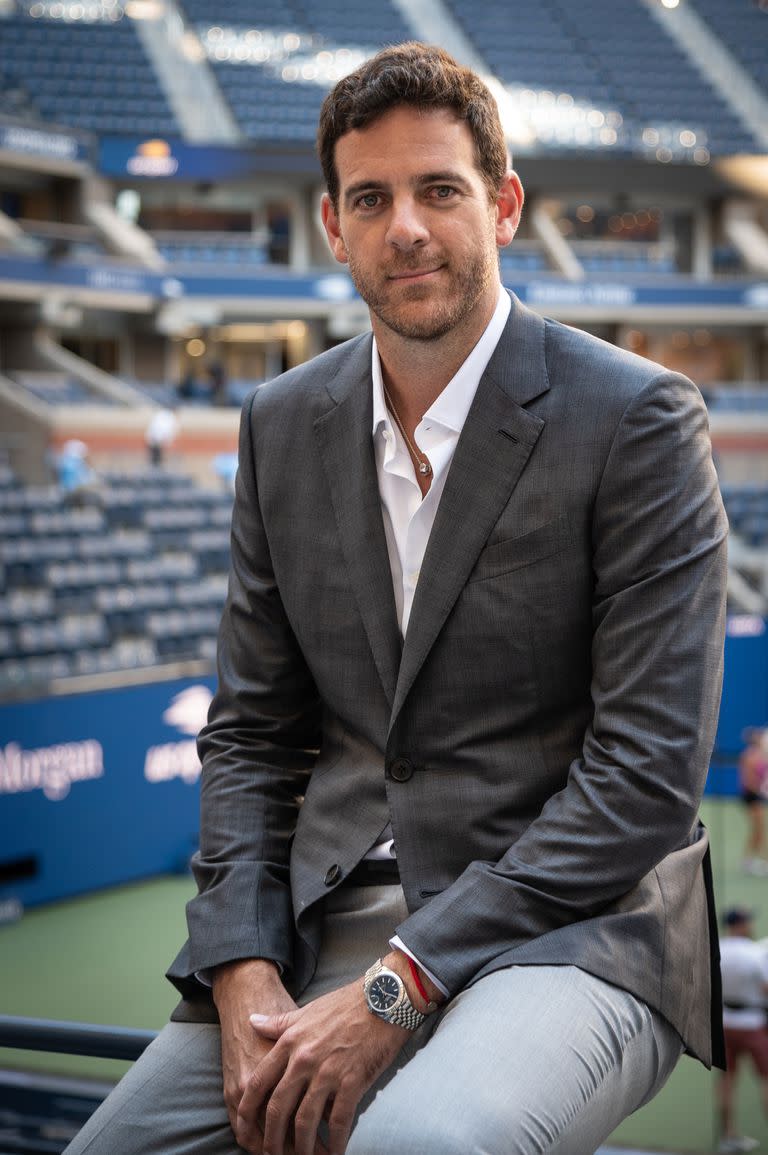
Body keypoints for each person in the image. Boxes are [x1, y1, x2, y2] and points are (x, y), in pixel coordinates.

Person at [64, 42, 729, 1155]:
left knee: (413, 1146)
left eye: (439, 191)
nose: (405, 228)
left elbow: (647, 780)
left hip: (572, 931)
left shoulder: (636, 420)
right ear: (334, 225)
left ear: (503, 206)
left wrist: (398, 985)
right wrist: (239, 968)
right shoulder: (283, 422)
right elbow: (252, 735)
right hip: (329, 924)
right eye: (370, 199)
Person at [717, 907, 768, 1153]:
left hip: (725, 1022)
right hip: (752, 1023)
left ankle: (728, 1134)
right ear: (740, 924)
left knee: (726, 1081)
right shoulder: (755, 952)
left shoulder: (717, 949)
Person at [738, 727, 768, 875]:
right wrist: (762, 791)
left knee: (760, 830)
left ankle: (755, 860)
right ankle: (748, 861)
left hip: (758, 795)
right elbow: (748, 780)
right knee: (757, 829)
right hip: (750, 796)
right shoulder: (748, 756)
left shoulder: (761, 755)